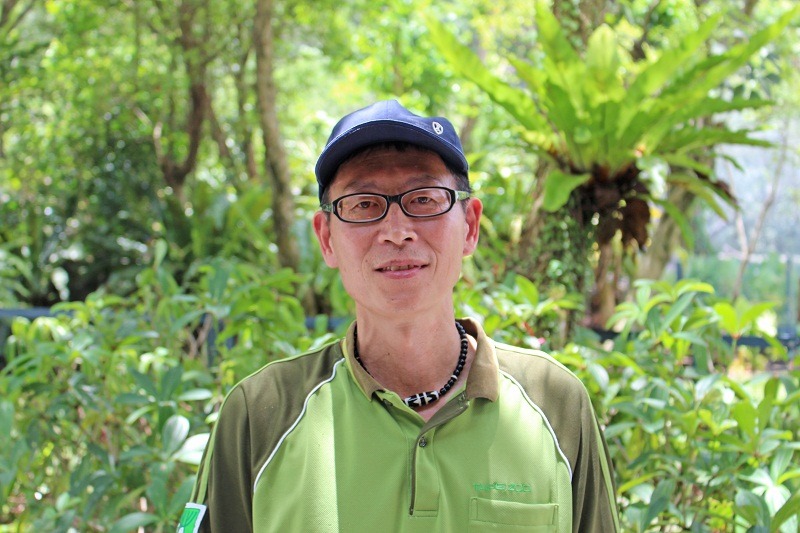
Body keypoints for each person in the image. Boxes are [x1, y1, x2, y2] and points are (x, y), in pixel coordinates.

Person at [178, 100, 619, 532]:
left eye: (425, 199)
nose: (396, 230)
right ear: (326, 238)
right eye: (364, 204)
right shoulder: (263, 414)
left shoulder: (555, 404)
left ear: (469, 226)